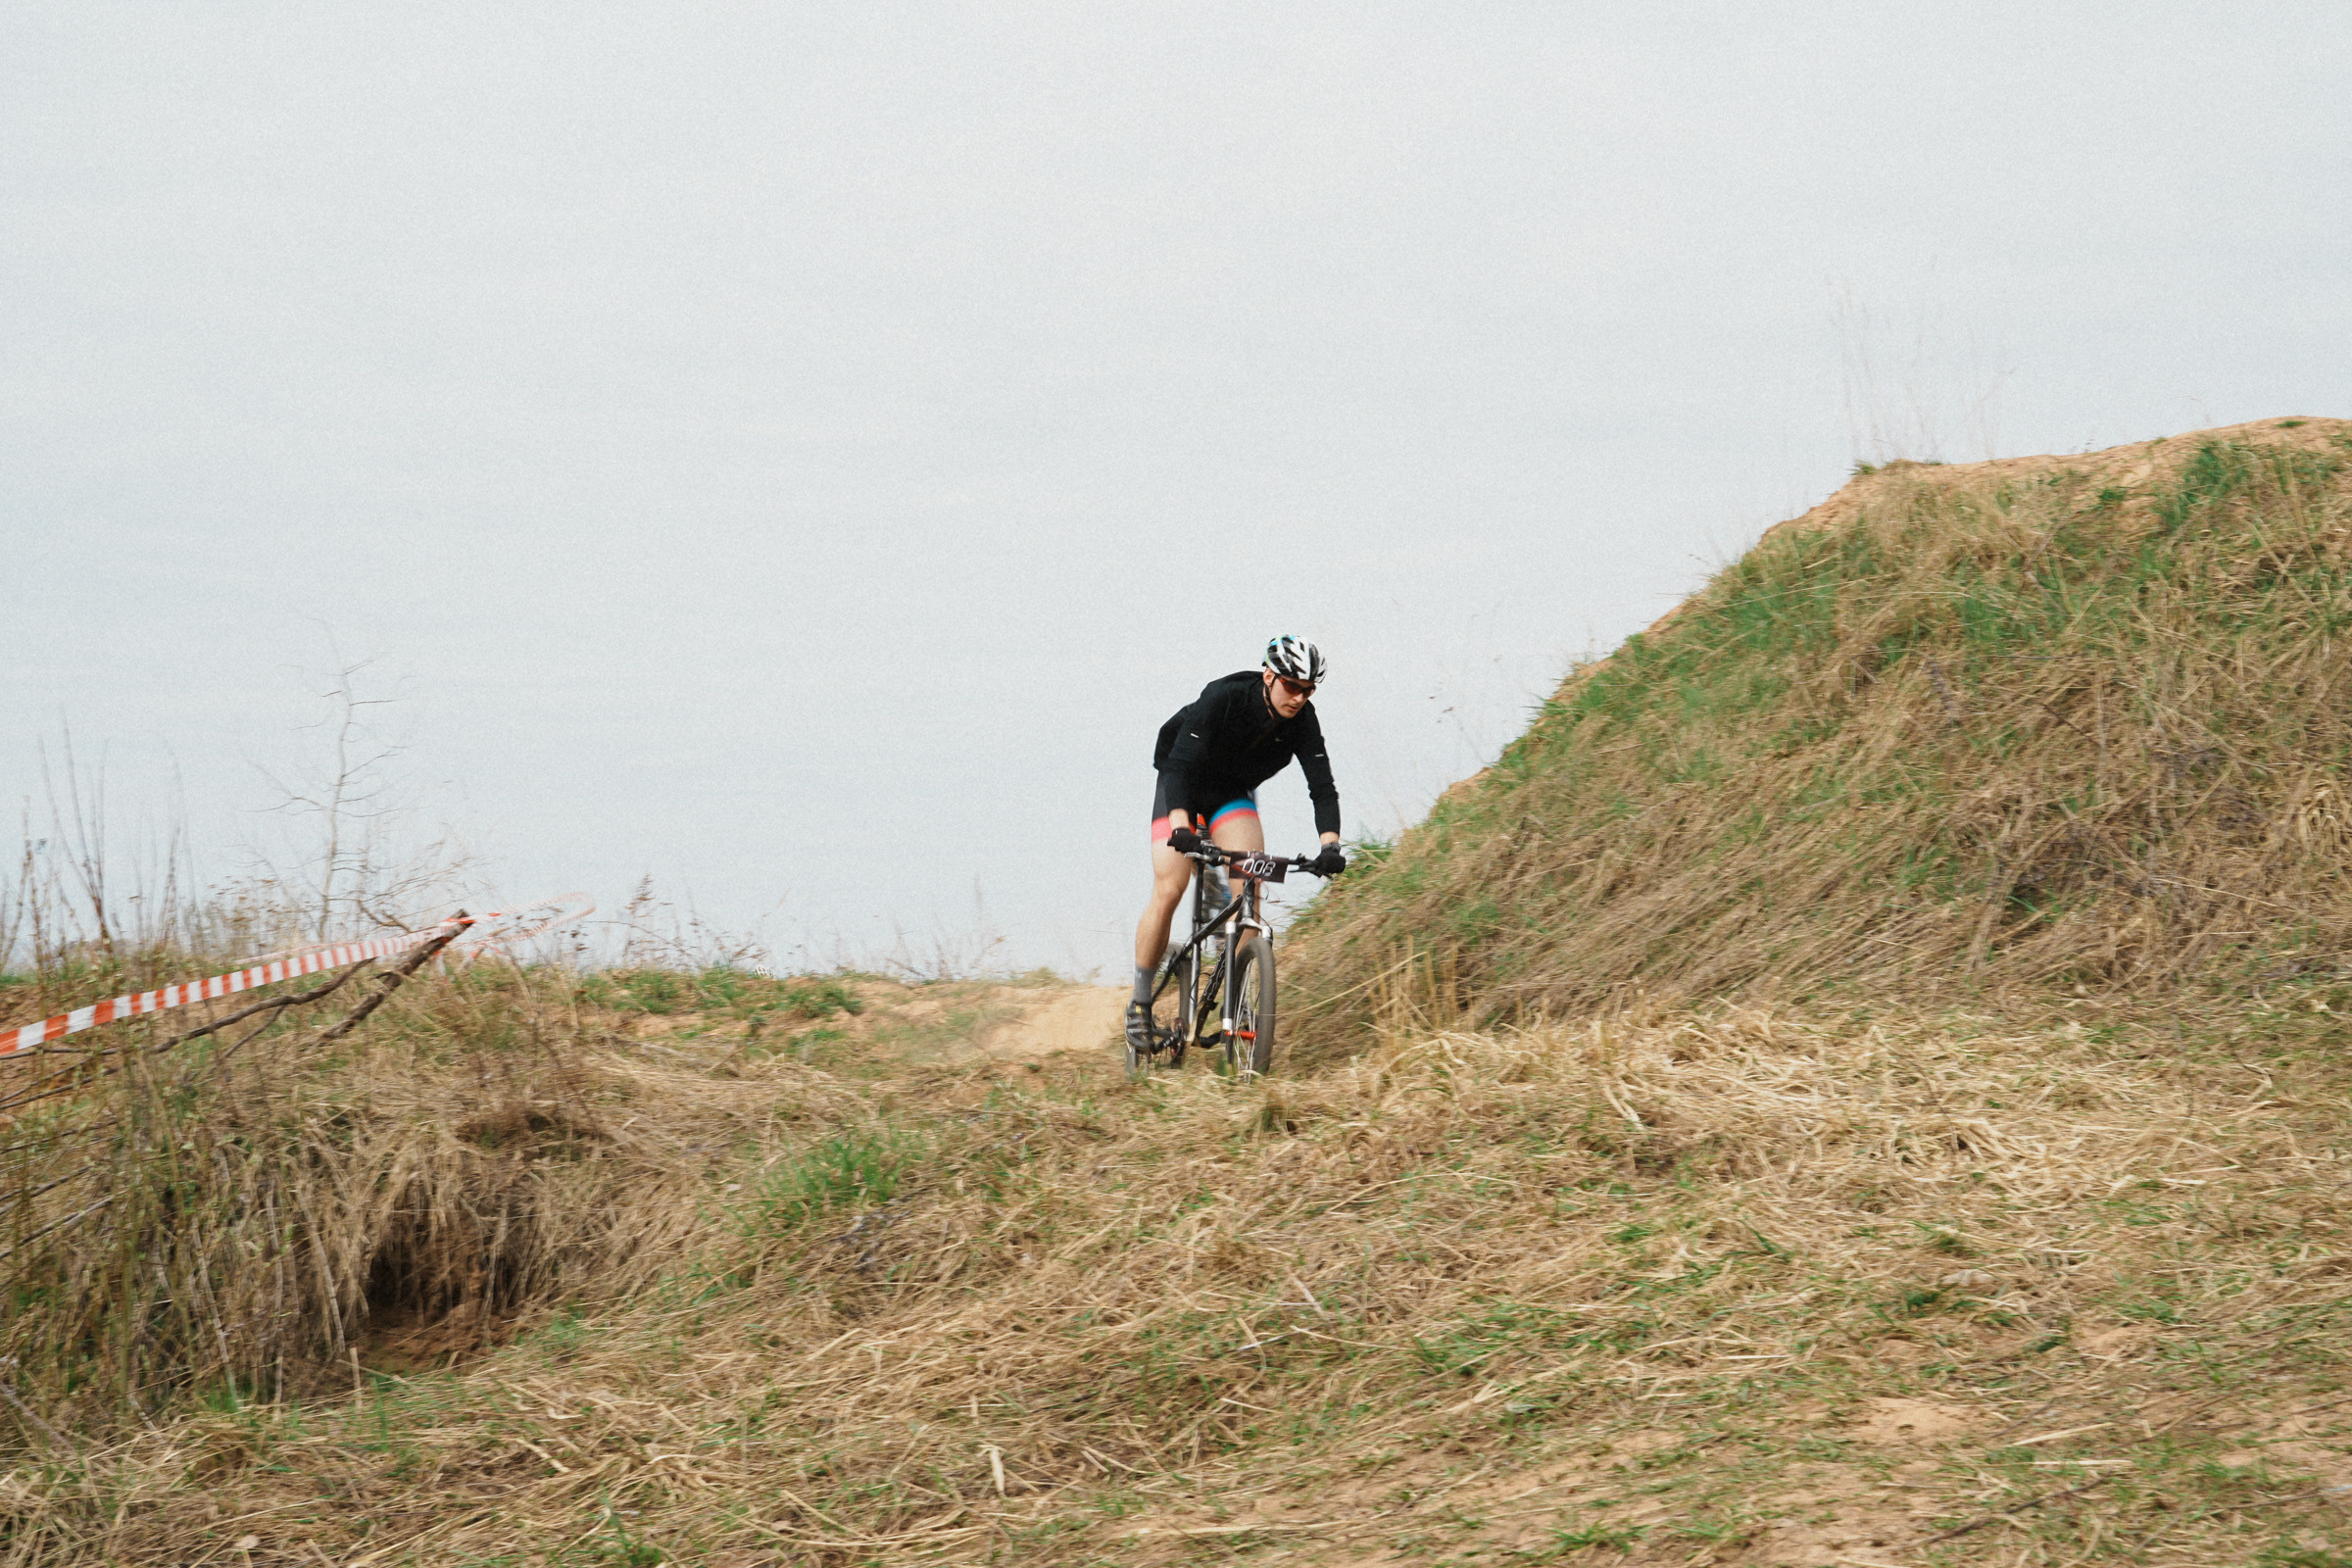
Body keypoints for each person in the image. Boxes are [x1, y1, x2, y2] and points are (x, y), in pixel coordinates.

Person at [1127, 636, 1348, 1054]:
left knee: (1249, 889)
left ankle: (1239, 1003)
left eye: (1308, 690)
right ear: (1269, 676)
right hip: (1182, 779)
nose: (1299, 698)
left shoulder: (1303, 721)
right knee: (1171, 887)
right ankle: (1139, 1003)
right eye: (1292, 686)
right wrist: (1182, 827)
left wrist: (1330, 847)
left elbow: (1322, 787)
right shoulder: (1224, 696)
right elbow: (1179, 766)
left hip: (1230, 792)